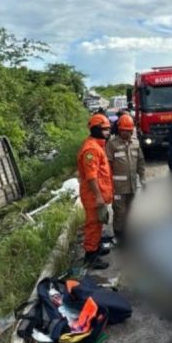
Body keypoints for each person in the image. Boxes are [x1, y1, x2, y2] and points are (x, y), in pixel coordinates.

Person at [77, 113, 113, 269]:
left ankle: (96, 249)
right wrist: (98, 197)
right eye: (105, 129)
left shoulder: (97, 145)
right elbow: (91, 177)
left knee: (98, 224)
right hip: (93, 196)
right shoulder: (90, 150)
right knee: (93, 225)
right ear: (96, 129)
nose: (108, 132)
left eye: (108, 129)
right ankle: (91, 257)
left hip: (98, 194)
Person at [105, 114, 145, 243]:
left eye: (129, 131)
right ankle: (119, 235)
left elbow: (140, 161)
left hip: (132, 185)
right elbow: (107, 166)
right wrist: (108, 184)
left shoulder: (136, 144)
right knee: (119, 212)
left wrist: (142, 177)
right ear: (119, 129)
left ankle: (130, 233)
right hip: (118, 187)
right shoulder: (112, 144)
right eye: (124, 130)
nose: (126, 133)